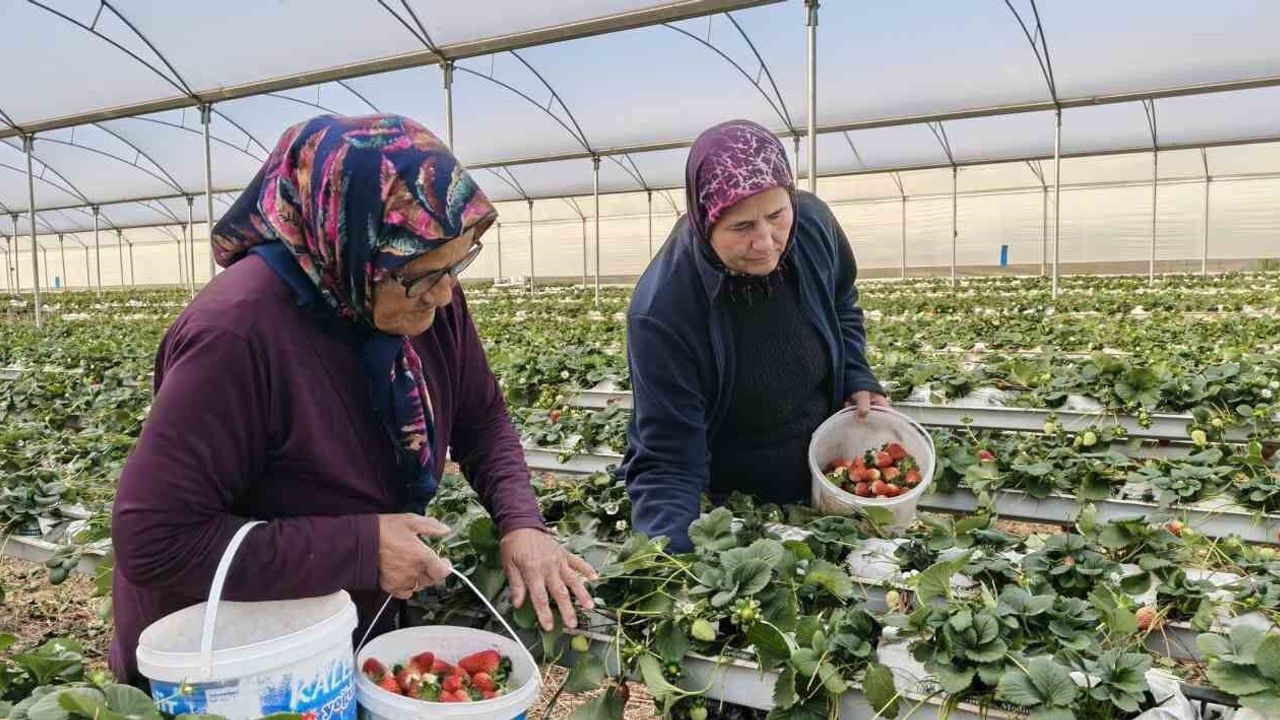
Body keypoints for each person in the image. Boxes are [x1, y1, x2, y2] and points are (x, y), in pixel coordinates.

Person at [109, 115, 594, 686]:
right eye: (421, 276)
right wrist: (360, 548)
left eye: (456, 265)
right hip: (229, 658)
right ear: (350, 247)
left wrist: (521, 522)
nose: (444, 294)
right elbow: (156, 540)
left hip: (335, 627)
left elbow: (480, 416)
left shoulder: (419, 287)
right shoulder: (235, 334)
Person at [619, 119, 886, 552]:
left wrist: (856, 372)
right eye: (741, 227)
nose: (765, 242)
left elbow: (841, 299)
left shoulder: (813, 224)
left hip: (825, 465)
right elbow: (668, 459)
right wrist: (672, 562)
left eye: (776, 216)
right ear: (705, 221)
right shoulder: (662, 310)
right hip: (734, 500)